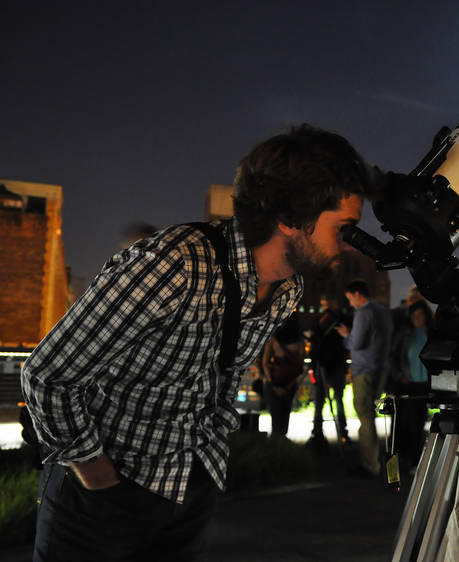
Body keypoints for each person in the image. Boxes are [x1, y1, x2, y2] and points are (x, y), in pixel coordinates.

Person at [20, 124, 368, 561]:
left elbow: (217, 376)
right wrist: (97, 476)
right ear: (290, 216)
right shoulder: (176, 264)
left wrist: (207, 461)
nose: (350, 243)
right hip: (102, 496)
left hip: (188, 489)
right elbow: (47, 374)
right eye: (344, 227)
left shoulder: (288, 288)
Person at [336, 279, 393, 476]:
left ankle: (370, 464)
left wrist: (346, 335)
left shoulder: (363, 313)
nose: (350, 303)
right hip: (382, 368)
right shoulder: (384, 311)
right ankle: (374, 462)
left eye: (350, 298)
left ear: (358, 294)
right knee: (372, 414)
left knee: (365, 415)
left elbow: (357, 343)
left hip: (364, 370)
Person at [390, 299, 433, 472]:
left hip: (424, 385)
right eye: (413, 315)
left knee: (418, 423)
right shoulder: (404, 333)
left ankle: (415, 459)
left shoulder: (431, 333)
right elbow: (393, 357)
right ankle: (405, 457)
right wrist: (400, 376)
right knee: (404, 422)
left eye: (420, 315)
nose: (416, 318)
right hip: (406, 384)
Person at [308, 296, 350, 448]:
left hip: (334, 365)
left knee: (335, 400)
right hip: (326, 366)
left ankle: (341, 431)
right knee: (322, 401)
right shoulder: (323, 321)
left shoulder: (339, 320)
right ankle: (319, 431)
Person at [261, 312, 304, 438]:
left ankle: (275, 445)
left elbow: (265, 363)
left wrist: (273, 384)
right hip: (290, 383)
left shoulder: (274, 340)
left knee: (275, 415)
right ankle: (283, 441)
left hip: (274, 381)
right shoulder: (299, 342)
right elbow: (299, 367)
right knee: (286, 413)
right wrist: (288, 387)